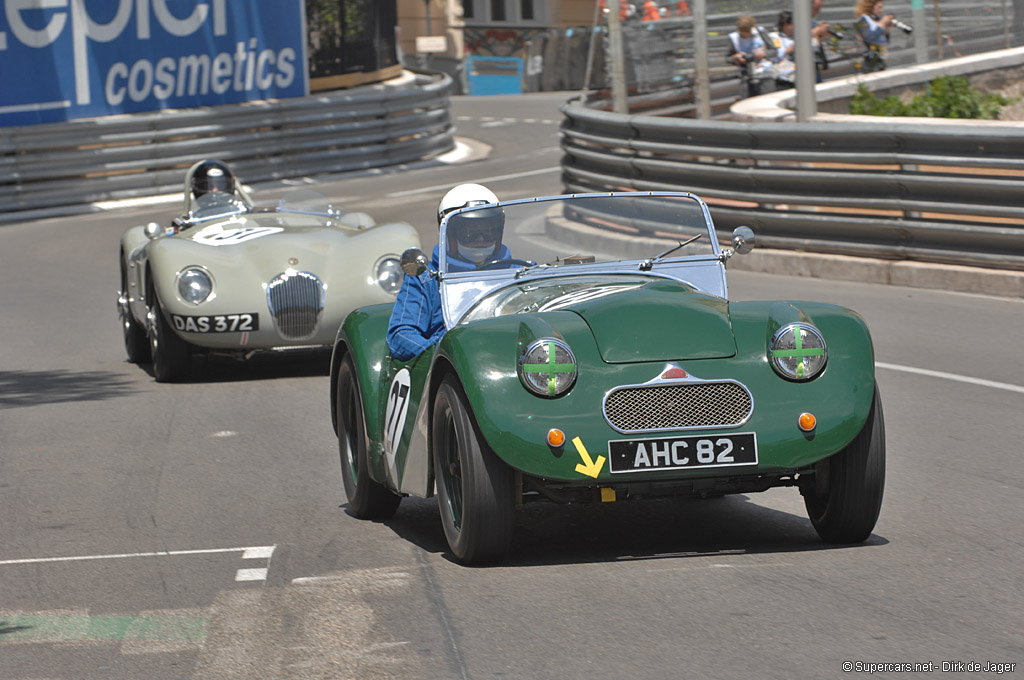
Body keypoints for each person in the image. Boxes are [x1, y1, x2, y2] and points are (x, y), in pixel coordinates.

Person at [386, 183, 509, 361]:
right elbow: (401, 335)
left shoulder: (517, 274)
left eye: (488, 230)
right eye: (469, 232)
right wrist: (446, 354)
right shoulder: (426, 278)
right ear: (449, 232)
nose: (480, 239)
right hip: (449, 368)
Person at [175, 159, 252, 229]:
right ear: (196, 189)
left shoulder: (242, 211)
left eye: (221, 186)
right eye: (208, 186)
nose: (215, 190)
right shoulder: (192, 220)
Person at [728, 15, 771, 98]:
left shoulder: (761, 33)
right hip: (746, 76)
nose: (746, 35)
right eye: (743, 33)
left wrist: (762, 54)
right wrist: (736, 57)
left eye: (748, 32)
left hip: (765, 74)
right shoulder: (734, 38)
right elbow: (727, 58)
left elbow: (774, 51)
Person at [854, 0, 894, 72]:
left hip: (880, 60)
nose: (882, 10)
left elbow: (884, 42)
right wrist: (881, 24)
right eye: (879, 7)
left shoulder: (876, 20)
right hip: (869, 62)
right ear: (870, 7)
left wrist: (886, 30)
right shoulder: (862, 21)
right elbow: (869, 38)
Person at [768, 11, 796, 90]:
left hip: (797, 78)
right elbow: (775, 55)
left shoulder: (795, 37)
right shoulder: (774, 37)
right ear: (786, 24)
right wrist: (791, 49)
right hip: (782, 79)